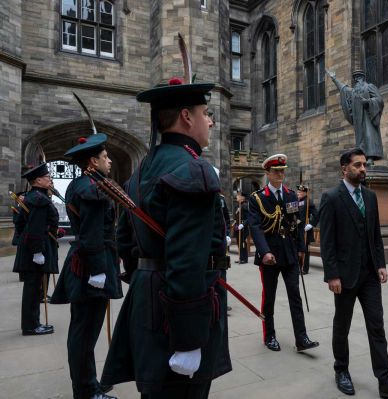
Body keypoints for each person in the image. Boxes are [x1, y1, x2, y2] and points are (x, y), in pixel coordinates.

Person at [101, 77, 231, 399]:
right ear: (187, 117)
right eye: (206, 112)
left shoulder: (142, 168)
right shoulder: (192, 170)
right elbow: (187, 262)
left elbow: (125, 239)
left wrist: (144, 276)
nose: (211, 121)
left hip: (148, 298)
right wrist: (189, 340)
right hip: (178, 313)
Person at [319, 148, 388, 398]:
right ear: (344, 168)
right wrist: (332, 275)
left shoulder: (369, 197)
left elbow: (375, 235)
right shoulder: (331, 197)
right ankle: (341, 370)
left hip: (369, 274)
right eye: (357, 165)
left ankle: (384, 379)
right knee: (342, 325)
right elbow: (327, 242)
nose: (362, 169)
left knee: (376, 325)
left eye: (364, 165)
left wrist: (381, 264)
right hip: (345, 276)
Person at [50, 133, 122, 399]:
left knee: (84, 330)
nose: (110, 161)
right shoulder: (92, 188)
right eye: (105, 157)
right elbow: (92, 233)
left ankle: (88, 384)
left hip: (90, 261)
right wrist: (99, 271)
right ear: (93, 160)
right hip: (91, 265)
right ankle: (86, 390)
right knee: (84, 332)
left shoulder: (82, 184)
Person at [248, 153, 319, 352]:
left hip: (289, 254)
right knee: (268, 297)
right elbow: (255, 227)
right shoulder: (258, 198)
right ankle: (269, 335)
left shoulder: (290, 195)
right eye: (276, 171)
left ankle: (301, 337)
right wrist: (265, 252)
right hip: (270, 256)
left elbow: (296, 223)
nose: (280, 175)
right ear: (267, 173)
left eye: (282, 171)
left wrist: (300, 249)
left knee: (295, 295)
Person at [13, 164, 57, 336]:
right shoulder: (39, 199)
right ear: (38, 180)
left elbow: (25, 224)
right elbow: (35, 228)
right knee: (32, 289)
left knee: (32, 288)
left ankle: (32, 323)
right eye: (47, 177)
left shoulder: (33, 196)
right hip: (34, 249)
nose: (50, 179)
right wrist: (38, 252)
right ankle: (31, 326)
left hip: (31, 246)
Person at [327, 70, 384, 164]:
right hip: (358, 120)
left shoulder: (369, 87)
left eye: (359, 77)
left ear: (363, 78)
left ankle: (370, 157)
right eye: (355, 78)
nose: (357, 80)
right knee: (360, 138)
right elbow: (343, 89)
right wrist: (334, 78)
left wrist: (368, 102)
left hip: (367, 117)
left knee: (369, 135)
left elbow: (379, 100)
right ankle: (363, 157)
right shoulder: (353, 91)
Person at [296, 184, 318, 275]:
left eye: (301, 192)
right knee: (297, 249)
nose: (299, 193)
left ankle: (304, 269)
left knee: (305, 250)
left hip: (305, 229)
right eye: (298, 191)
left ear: (305, 193)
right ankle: (297, 267)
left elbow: (317, 215)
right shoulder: (296, 201)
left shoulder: (308, 201)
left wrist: (311, 224)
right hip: (297, 229)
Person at [234, 191, 249, 264]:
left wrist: (243, 224)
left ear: (242, 198)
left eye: (238, 196)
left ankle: (244, 259)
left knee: (242, 242)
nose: (236, 197)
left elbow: (249, 218)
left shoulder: (245, 205)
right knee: (239, 242)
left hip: (243, 227)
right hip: (238, 226)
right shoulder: (238, 205)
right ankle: (240, 257)